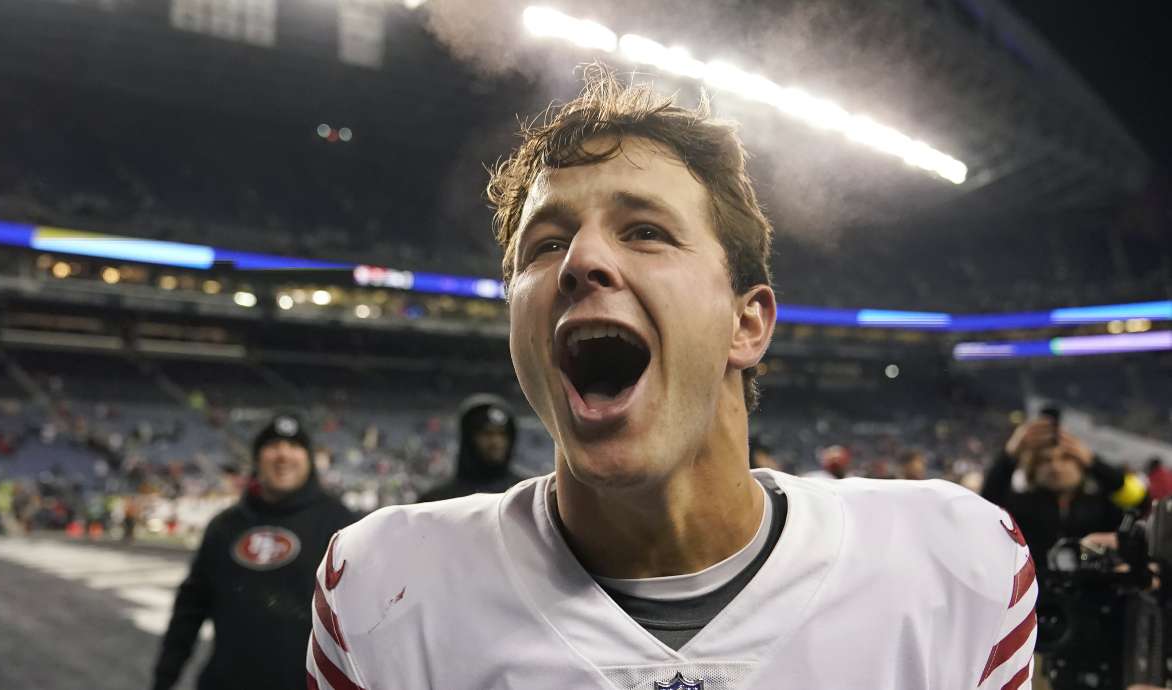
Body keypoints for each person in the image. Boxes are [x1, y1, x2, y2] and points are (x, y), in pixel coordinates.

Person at [308, 68, 1035, 689]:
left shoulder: (955, 570)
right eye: (546, 244)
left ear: (746, 324)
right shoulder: (383, 593)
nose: (580, 261)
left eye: (645, 231)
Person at [153, 414, 356, 690]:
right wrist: (164, 679)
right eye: (272, 445)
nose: (283, 454)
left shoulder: (340, 524)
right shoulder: (225, 526)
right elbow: (189, 610)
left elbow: (363, 616)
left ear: (309, 459)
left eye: (294, 446)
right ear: (257, 459)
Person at [981, 416, 1128, 580]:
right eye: (1045, 460)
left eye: (1065, 458)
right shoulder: (1021, 504)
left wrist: (1094, 462)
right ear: (1033, 469)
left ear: (1081, 463)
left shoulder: (1101, 505)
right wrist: (1010, 453)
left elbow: (1130, 495)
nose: (1055, 467)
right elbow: (987, 503)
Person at [419, 393, 522, 501]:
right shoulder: (437, 499)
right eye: (487, 433)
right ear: (468, 438)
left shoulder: (525, 493)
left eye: (502, 434)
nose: (496, 442)